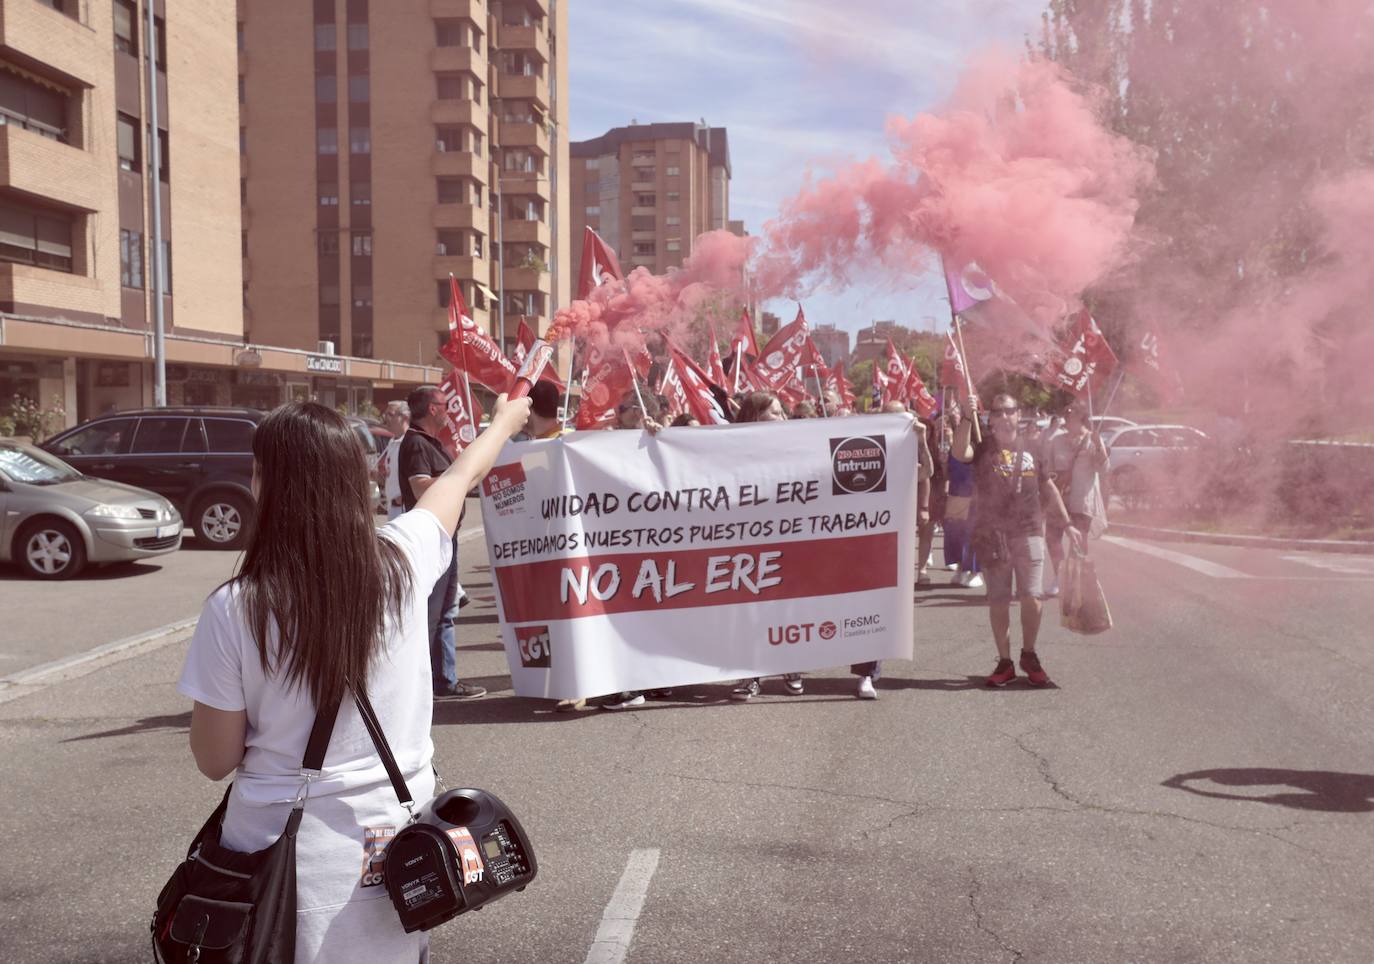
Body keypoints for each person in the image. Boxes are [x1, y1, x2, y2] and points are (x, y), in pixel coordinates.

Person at [177, 394, 531, 962]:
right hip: (400, 846)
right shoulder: (404, 562)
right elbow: (462, 474)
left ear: (265, 482)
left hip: (282, 863)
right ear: (353, 480)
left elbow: (214, 758)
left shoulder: (239, 606)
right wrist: (506, 422)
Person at [952, 393, 1080, 687]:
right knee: (998, 599)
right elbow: (960, 452)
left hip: (1029, 530)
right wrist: (966, 417)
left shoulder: (1034, 447)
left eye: (1010, 411)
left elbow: (1049, 486)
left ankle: (1029, 654)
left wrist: (1068, 523)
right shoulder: (983, 448)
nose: (1005, 417)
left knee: (1032, 597)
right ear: (992, 419)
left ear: (1018, 414)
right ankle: (1005, 661)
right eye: (998, 413)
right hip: (993, 534)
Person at [400, 385, 485, 700]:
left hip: (444, 535)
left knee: (445, 611)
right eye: (444, 404)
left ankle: (443, 679)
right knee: (434, 613)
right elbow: (421, 487)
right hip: (433, 536)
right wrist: (459, 476)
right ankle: (435, 682)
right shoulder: (417, 444)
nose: (449, 409)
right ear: (432, 409)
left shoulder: (427, 443)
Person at [729, 391, 807, 701]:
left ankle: (791, 665)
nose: (783, 418)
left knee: (786, 605)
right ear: (754, 416)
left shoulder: (796, 444)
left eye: (783, 412)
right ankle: (751, 673)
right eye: (775, 413)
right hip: (747, 538)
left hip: (788, 535)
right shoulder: (727, 447)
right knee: (751, 608)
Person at [601, 389, 665, 711]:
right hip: (617, 545)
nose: (634, 411)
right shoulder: (605, 441)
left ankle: (654, 679)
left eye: (639, 406)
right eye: (628, 407)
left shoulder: (657, 437)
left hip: (654, 545)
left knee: (653, 613)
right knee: (623, 615)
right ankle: (628, 683)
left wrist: (658, 437)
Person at [1041, 401, 1110, 594]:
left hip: (1082, 500)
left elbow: (1103, 469)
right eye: (1067, 417)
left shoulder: (1092, 440)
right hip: (1060, 500)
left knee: (1077, 545)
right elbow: (1048, 469)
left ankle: (1073, 582)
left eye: (1071, 418)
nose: (1067, 422)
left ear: (1082, 419)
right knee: (1053, 539)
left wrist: (1099, 446)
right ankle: (1059, 576)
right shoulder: (1057, 441)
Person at [377, 400, 409, 522]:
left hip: (404, 508)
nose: (386, 419)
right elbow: (391, 476)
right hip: (393, 507)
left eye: (390, 415)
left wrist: (402, 498)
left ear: (404, 417)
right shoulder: (392, 442)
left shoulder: (409, 442)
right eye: (385, 414)